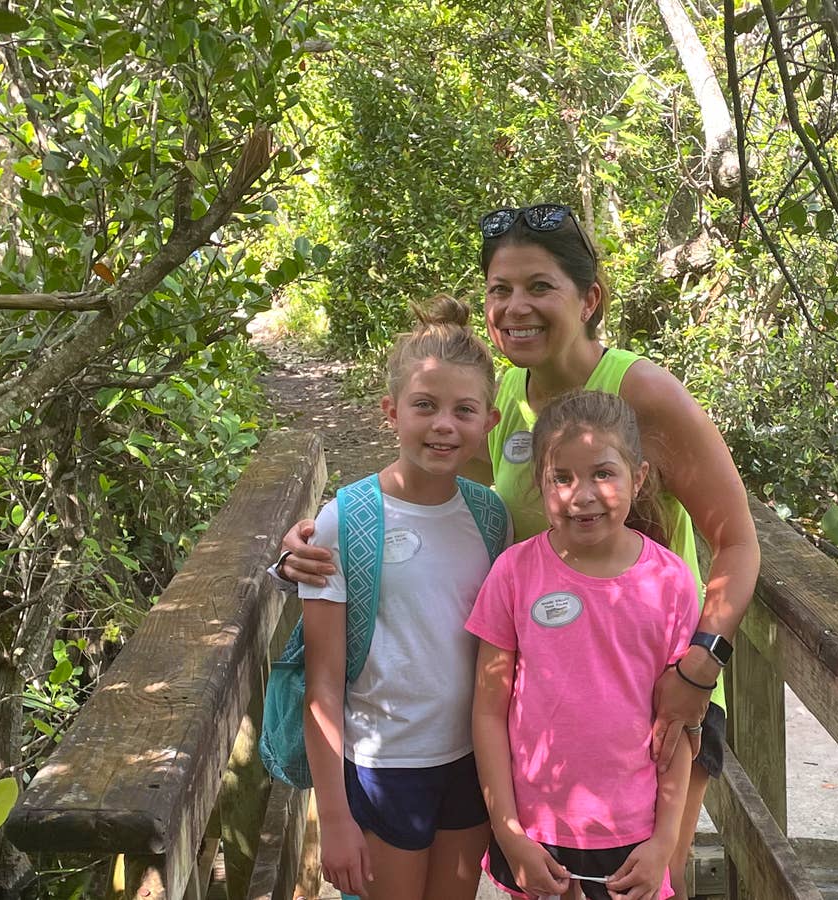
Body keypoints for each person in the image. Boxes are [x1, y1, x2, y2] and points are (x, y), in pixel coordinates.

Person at [278, 203, 760, 898]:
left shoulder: (642, 393)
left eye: (539, 286)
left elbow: (738, 542)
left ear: (589, 298)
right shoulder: (501, 392)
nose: (515, 308)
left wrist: (700, 664)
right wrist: (315, 535)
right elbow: (440, 511)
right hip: (545, 721)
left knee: (646, 884)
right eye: (500, 290)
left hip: (656, 703)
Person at [299, 295, 510, 900]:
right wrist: (334, 819)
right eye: (425, 406)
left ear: (488, 423)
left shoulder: (490, 516)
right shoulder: (347, 519)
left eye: (463, 410)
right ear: (391, 412)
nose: (444, 425)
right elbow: (323, 684)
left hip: (470, 761)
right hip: (382, 765)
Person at [468, 390, 697, 900]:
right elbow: (488, 710)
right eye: (562, 477)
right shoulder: (514, 573)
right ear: (540, 484)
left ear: (637, 479)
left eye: (602, 473)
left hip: (633, 834)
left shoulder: (671, 581)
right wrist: (508, 832)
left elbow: (680, 726)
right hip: (536, 831)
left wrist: (665, 840)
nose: (582, 494)